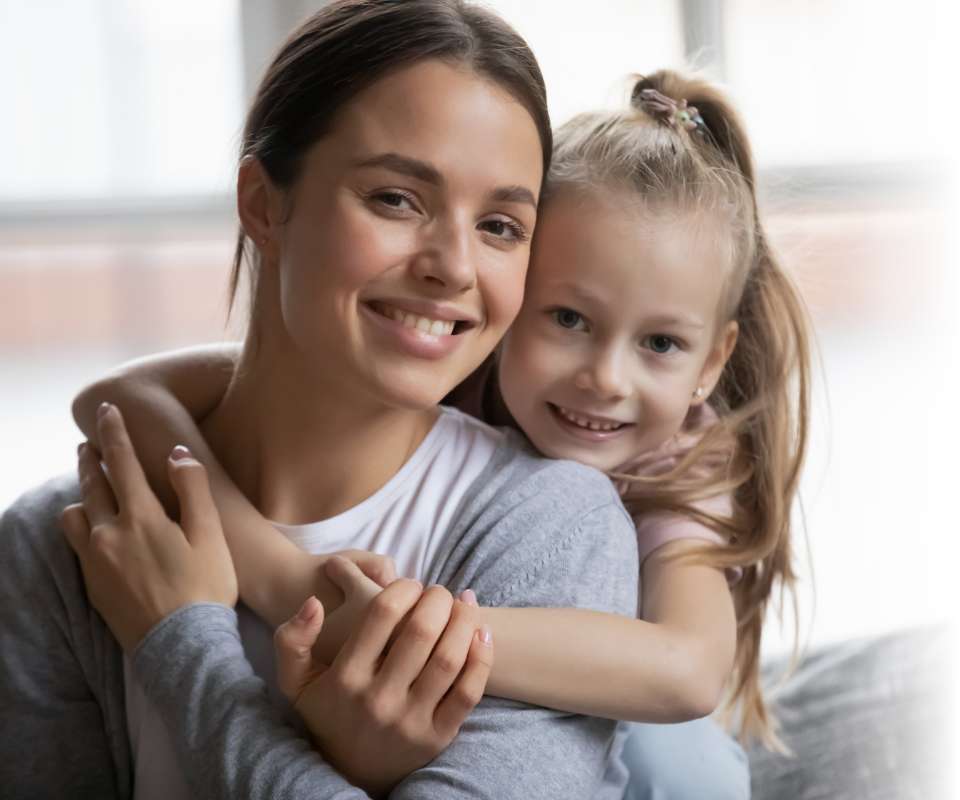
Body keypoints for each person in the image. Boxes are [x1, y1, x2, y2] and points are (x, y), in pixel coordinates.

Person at [74, 67, 811, 799]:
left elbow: (686, 672)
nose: (606, 379)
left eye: (660, 345)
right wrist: (270, 563)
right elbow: (118, 396)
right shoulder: (443, 362)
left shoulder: (683, 465)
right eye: (567, 320)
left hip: (646, 717)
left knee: (688, 769)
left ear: (712, 362)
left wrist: (399, 630)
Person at [0, 2, 642, 798]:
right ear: (264, 204)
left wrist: (179, 644)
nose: (454, 266)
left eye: (502, 226)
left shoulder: (551, 533)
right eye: (397, 199)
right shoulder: (62, 542)